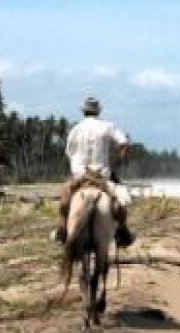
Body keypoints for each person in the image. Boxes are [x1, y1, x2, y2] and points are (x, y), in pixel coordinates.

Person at [53, 95, 136, 247]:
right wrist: (121, 158)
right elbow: (123, 142)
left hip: (80, 175)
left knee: (64, 199)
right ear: (98, 111)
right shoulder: (108, 126)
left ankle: (62, 229)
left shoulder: (76, 129)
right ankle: (123, 231)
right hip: (102, 176)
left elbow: (69, 153)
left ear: (84, 112)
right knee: (121, 199)